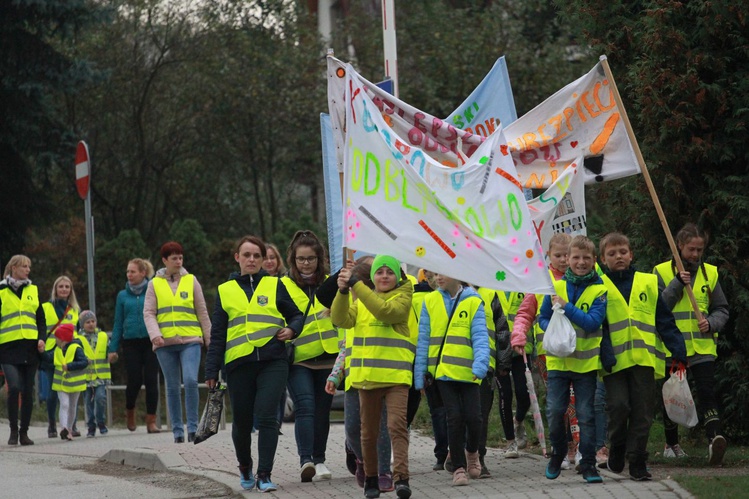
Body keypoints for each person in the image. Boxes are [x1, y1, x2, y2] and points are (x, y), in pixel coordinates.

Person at [205, 236, 304, 492]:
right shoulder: (225, 291)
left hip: (273, 361)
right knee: (242, 421)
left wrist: (292, 330)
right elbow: (218, 334)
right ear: (237, 257)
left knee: (268, 416)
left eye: (256, 256)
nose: (251, 260)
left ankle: (265, 474)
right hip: (239, 364)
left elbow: (295, 314)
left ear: (263, 260)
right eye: (246, 255)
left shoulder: (275, 285)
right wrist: (211, 370)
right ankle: (245, 466)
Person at [598, 232, 687, 480]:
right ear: (603, 259)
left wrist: (678, 350)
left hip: (645, 360)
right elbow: (599, 325)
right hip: (613, 361)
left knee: (642, 412)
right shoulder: (598, 287)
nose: (618, 257)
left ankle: (637, 461)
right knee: (618, 407)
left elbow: (664, 320)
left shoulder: (648, 282)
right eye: (612, 254)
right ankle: (616, 446)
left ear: (631, 254)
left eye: (623, 252)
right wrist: (605, 352)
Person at [331, 254, 415, 499]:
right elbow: (339, 319)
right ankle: (370, 479)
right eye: (380, 272)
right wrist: (343, 292)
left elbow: (385, 312)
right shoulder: (360, 302)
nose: (385, 276)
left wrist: (355, 283)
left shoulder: (402, 297)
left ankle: (401, 478)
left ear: (398, 276)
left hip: (396, 378)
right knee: (367, 433)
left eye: (390, 272)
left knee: (396, 426)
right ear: (374, 277)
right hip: (367, 379)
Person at [653, 223, 730, 465]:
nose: (695, 255)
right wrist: (677, 282)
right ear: (679, 246)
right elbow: (659, 307)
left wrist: (711, 322)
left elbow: (722, 309)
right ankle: (672, 443)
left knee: (706, 393)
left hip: (702, 348)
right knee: (672, 396)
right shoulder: (661, 271)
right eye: (690, 250)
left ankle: (714, 438)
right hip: (671, 347)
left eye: (699, 250)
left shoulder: (710, 273)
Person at [538, 235, 607, 484]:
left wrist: (566, 308)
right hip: (557, 363)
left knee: (586, 415)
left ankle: (588, 464)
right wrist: (554, 329)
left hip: (585, 365)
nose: (580, 262)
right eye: (575, 257)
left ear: (593, 260)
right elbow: (542, 318)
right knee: (555, 412)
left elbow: (592, 323)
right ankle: (557, 453)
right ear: (567, 259)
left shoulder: (600, 290)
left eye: (586, 258)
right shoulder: (555, 287)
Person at [322, 256, 394, 491]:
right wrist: (335, 376)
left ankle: (383, 471)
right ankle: (363, 461)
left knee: (379, 428)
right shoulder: (349, 313)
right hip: (354, 381)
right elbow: (345, 350)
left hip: (378, 377)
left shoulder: (381, 308)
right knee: (353, 429)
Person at [414, 273, 490, 486]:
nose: (437, 277)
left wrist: (481, 364)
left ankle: (472, 453)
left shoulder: (473, 301)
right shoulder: (430, 300)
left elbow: (481, 337)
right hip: (442, 373)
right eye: (434, 273)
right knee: (454, 418)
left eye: (442, 272)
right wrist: (420, 375)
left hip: (469, 372)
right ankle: (458, 467)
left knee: (474, 418)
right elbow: (423, 339)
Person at [281, 230, 339, 482]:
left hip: (328, 355)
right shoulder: (281, 285)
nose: (306, 263)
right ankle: (306, 460)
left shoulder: (332, 282)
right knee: (305, 407)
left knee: (322, 410)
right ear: (293, 260)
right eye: (301, 259)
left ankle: (320, 459)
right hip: (299, 357)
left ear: (320, 259)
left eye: (311, 258)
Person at [144, 242, 211, 443]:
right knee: (172, 386)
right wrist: (155, 334)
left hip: (190, 340)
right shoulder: (154, 284)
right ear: (165, 260)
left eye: (180, 257)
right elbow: (148, 313)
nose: (178, 261)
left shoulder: (191, 281)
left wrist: (210, 339)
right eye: (174, 258)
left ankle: (192, 427)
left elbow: (202, 311)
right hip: (165, 343)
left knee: (190, 380)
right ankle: (177, 431)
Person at [109, 258, 160, 433]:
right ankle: (130, 411)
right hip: (130, 342)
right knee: (135, 380)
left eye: (133, 271)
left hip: (150, 340)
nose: (129, 275)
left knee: (152, 380)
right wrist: (113, 348)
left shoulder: (153, 291)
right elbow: (118, 322)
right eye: (128, 272)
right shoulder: (122, 296)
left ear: (143, 273)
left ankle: (151, 420)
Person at [0, 255, 46, 446]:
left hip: (29, 349)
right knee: (15, 387)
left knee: (27, 391)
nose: (28, 270)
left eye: (29, 266)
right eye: (24, 266)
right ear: (13, 268)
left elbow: (40, 319)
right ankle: (12, 431)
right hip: (8, 349)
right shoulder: (1, 291)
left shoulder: (33, 290)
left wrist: (42, 338)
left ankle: (24, 433)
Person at [40, 275, 80, 438]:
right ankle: (52, 424)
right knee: (52, 391)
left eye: (67, 287)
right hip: (51, 354)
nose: (64, 289)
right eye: (61, 286)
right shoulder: (45, 307)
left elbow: (77, 333)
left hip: (69, 355)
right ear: (55, 289)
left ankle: (71, 425)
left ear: (71, 290)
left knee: (72, 391)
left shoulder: (75, 309)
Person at [262, 242, 289, 434]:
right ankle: (262, 421)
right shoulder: (254, 284)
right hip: (260, 340)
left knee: (280, 385)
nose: (269, 261)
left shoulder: (286, 281)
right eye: (266, 258)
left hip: (282, 339)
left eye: (273, 257)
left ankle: (276, 423)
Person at [48, 323, 88, 440]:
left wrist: (69, 366)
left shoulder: (77, 348)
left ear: (62, 339)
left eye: (57, 338)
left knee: (72, 406)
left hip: (75, 383)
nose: (55, 340)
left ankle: (69, 429)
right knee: (64, 404)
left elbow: (84, 362)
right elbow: (49, 358)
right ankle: (64, 428)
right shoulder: (57, 349)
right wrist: (41, 352)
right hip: (61, 384)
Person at [78, 310, 112, 437]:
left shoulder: (103, 336)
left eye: (93, 321)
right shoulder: (79, 339)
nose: (91, 324)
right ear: (82, 324)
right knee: (88, 402)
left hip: (101, 376)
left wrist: (112, 355)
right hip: (86, 377)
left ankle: (101, 421)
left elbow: (110, 350)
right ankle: (91, 425)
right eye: (87, 322)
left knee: (100, 398)